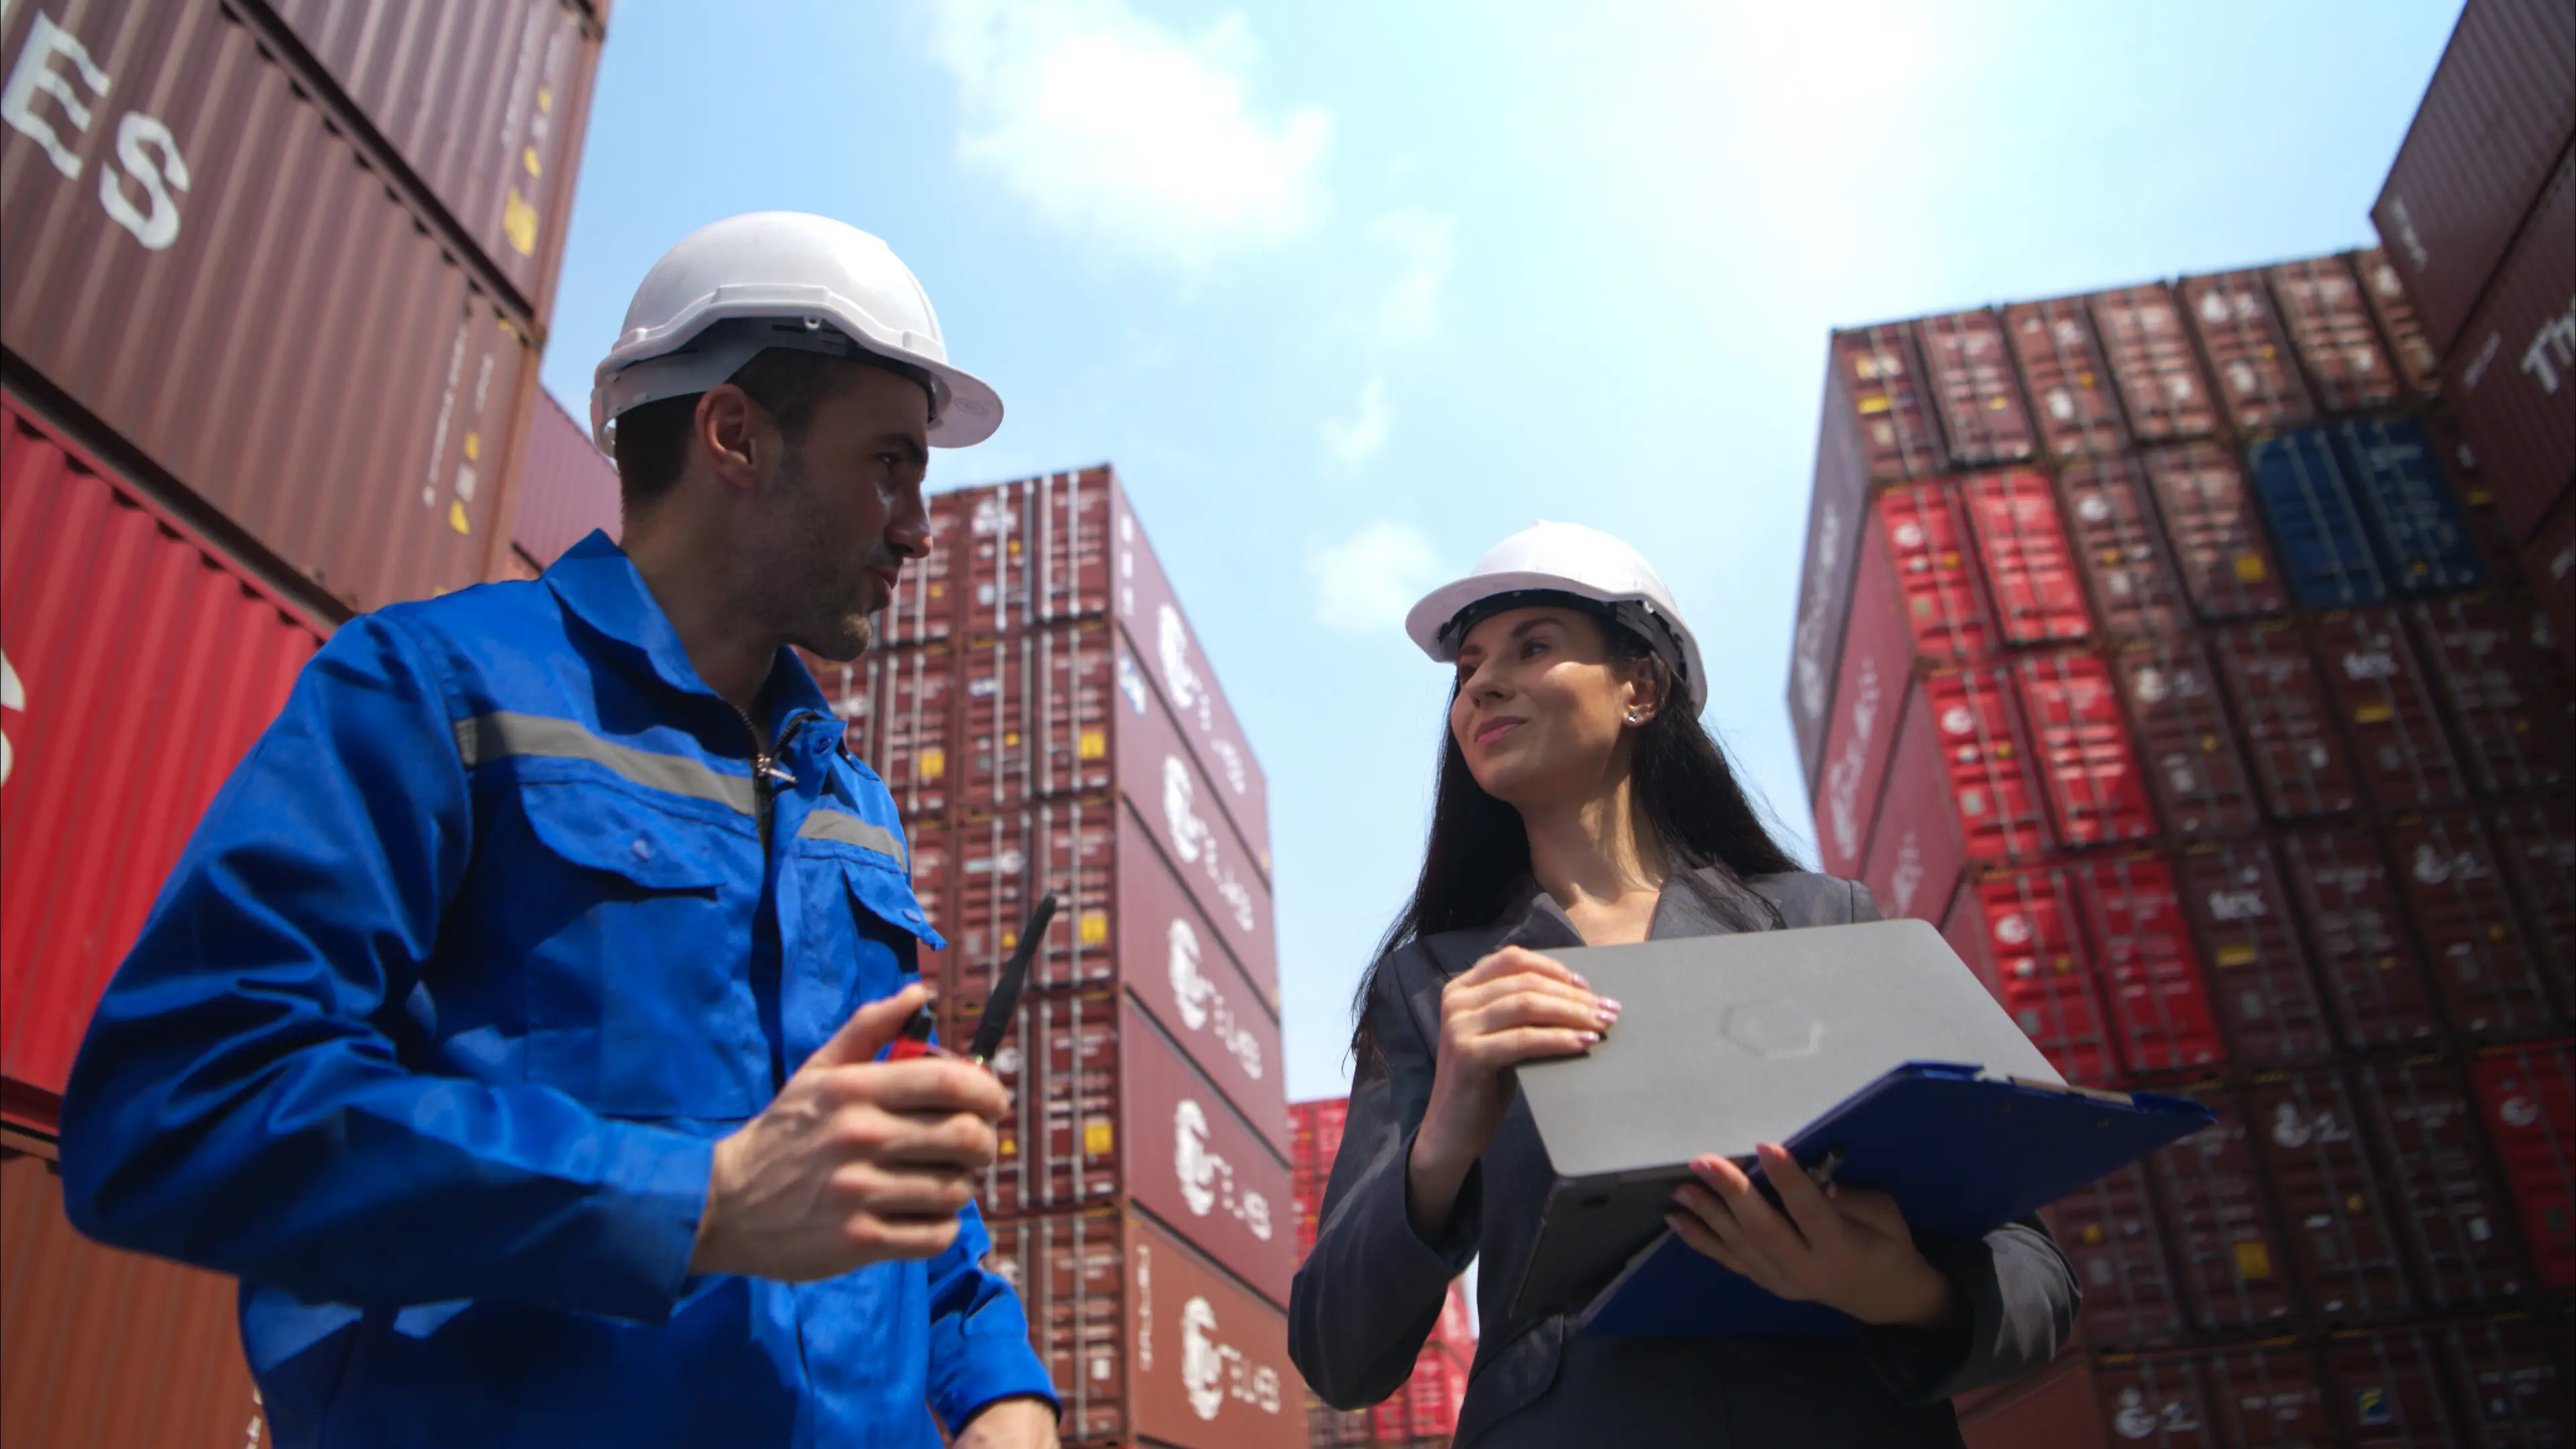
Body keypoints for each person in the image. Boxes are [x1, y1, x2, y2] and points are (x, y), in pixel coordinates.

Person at [57, 213, 1063, 1448]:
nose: (915, 524)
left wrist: (998, 1389)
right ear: (736, 435)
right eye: (891, 466)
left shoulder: (851, 800)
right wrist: (699, 1201)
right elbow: (183, 1104)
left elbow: (885, 1179)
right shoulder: (436, 691)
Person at [1287, 522, 2078, 1446]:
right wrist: (1438, 1150)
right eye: (1467, 668)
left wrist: (1892, 1284)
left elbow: (2038, 1279)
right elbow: (1338, 1357)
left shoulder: (1826, 922)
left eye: (1533, 646)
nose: (1482, 685)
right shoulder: (1432, 985)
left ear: (1642, 686)